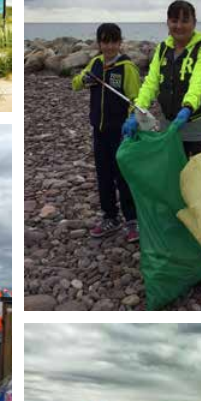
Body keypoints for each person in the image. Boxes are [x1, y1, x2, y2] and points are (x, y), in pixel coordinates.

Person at [72, 22, 141, 242]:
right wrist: (84, 79)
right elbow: (75, 84)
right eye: (105, 41)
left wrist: (132, 120)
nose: (109, 46)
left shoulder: (126, 67)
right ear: (99, 43)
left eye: (113, 41)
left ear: (120, 43)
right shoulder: (95, 63)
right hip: (99, 130)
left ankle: (132, 220)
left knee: (124, 176)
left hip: (120, 131)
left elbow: (136, 99)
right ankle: (110, 217)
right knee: (103, 175)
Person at [129, 0, 201, 158]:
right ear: (167, 23)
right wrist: (138, 111)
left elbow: (199, 83)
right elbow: (151, 83)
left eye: (185, 21)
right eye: (174, 20)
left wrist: (188, 107)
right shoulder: (162, 49)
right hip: (170, 128)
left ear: (194, 23)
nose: (179, 26)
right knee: (173, 178)